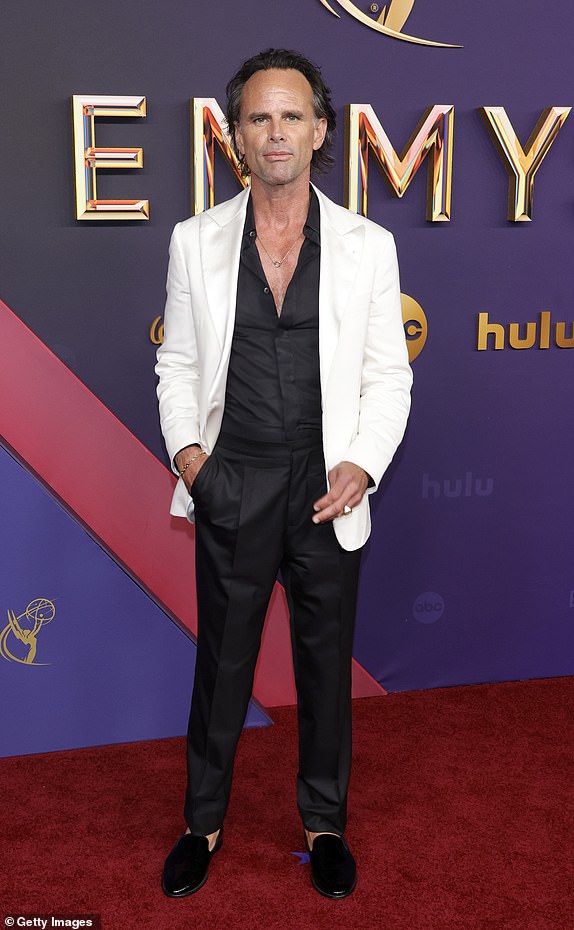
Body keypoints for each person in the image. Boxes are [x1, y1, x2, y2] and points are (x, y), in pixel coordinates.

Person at [156, 48, 412, 900]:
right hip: (233, 480)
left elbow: (389, 376)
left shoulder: (368, 247)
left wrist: (363, 465)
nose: (276, 133)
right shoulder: (194, 242)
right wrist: (195, 463)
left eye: (292, 116)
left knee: (324, 666)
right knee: (221, 666)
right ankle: (202, 821)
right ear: (236, 135)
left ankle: (325, 822)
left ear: (321, 130)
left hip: (327, 487)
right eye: (259, 117)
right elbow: (179, 369)